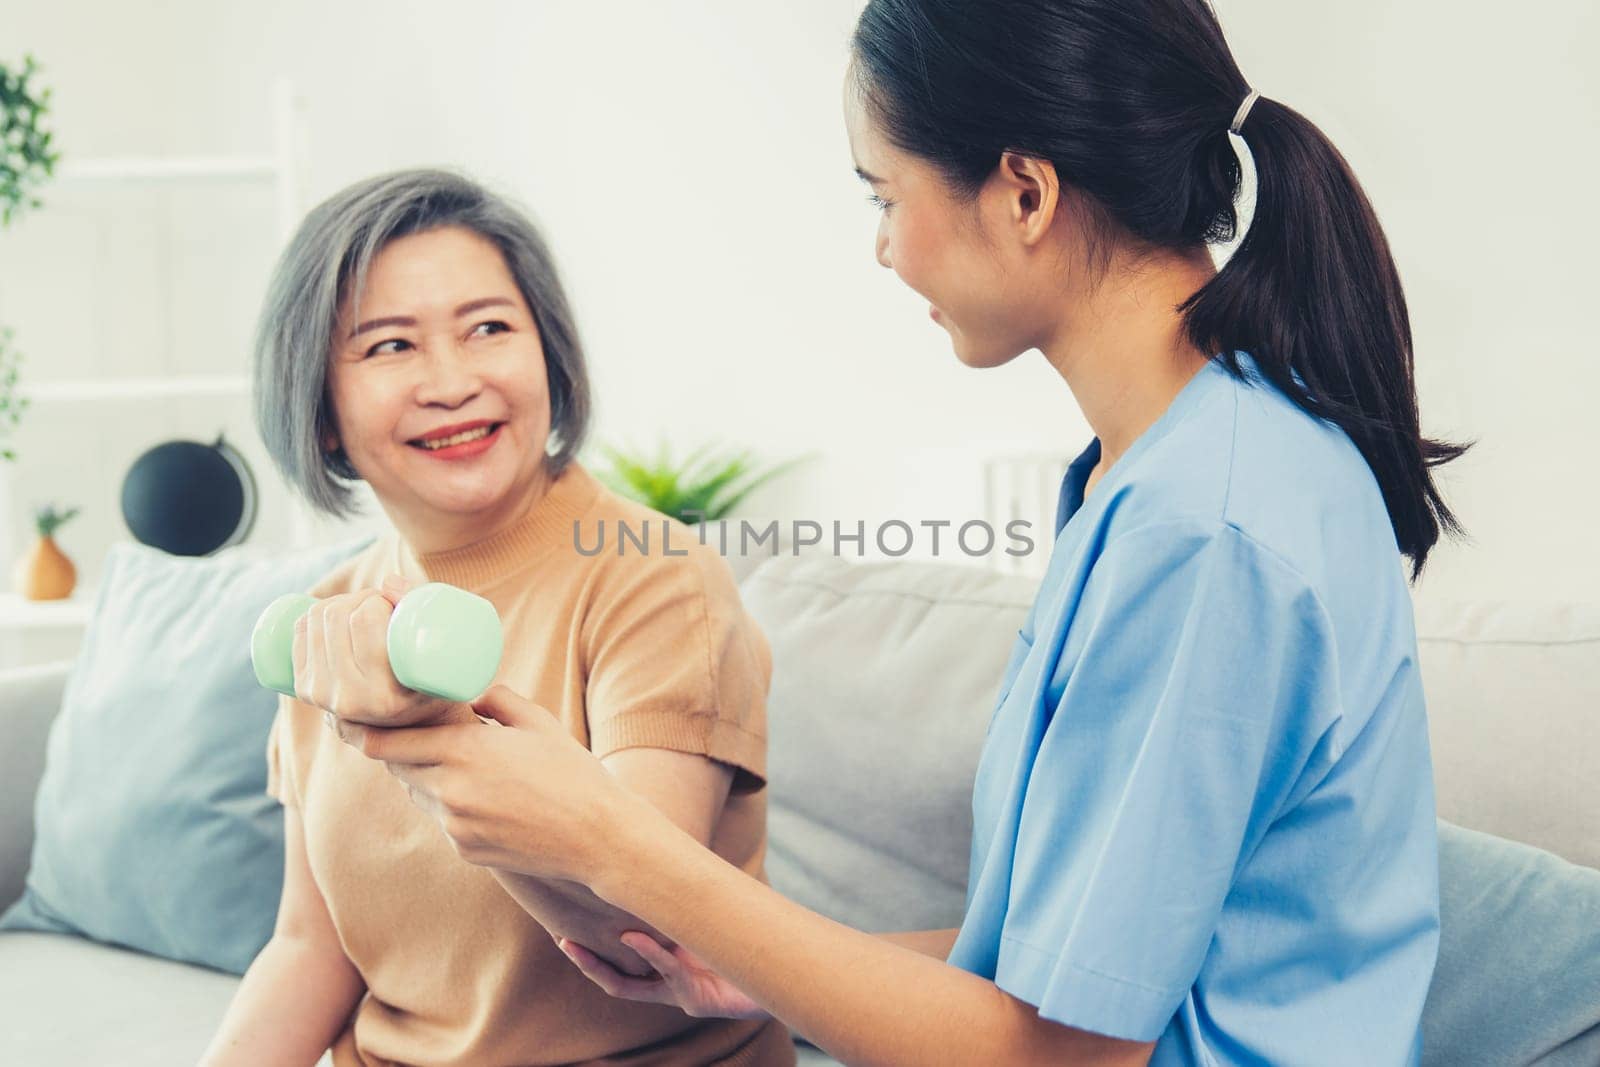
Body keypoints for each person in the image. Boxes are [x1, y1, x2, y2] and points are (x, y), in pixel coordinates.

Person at [320, 0, 1470, 1062]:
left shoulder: (1208, 529)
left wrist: (609, 839)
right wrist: (763, 969)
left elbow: (1059, 1052)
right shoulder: (1166, 471)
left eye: (884, 196)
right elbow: (1070, 967)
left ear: (1022, 192)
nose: (884, 248)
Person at [201, 168, 796, 1067]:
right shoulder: (331, 621)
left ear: (548, 357)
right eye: (390, 347)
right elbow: (307, 950)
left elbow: (643, 924)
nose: (452, 381)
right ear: (321, 411)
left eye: (488, 328)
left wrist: (414, 735)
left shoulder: (657, 579)